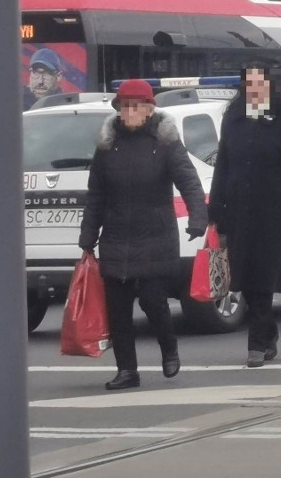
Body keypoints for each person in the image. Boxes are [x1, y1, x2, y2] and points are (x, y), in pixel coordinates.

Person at [78, 79, 208, 391]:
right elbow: (96, 195)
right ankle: (127, 370)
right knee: (118, 310)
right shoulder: (107, 146)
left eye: (137, 106)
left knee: (154, 302)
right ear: (119, 110)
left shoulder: (165, 143)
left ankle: (169, 348)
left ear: (150, 110)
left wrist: (198, 218)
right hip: (116, 237)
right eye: (125, 106)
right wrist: (87, 237)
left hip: (154, 236)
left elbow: (189, 182)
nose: (131, 112)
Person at [208, 66, 281, 368]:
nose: (254, 89)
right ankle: (268, 332)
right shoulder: (233, 119)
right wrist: (216, 207)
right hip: (238, 210)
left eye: (260, 84)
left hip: (272, 213)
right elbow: (223, 165)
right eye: (249, 84)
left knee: (263, 276)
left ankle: (256, 344)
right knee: (244, 277)